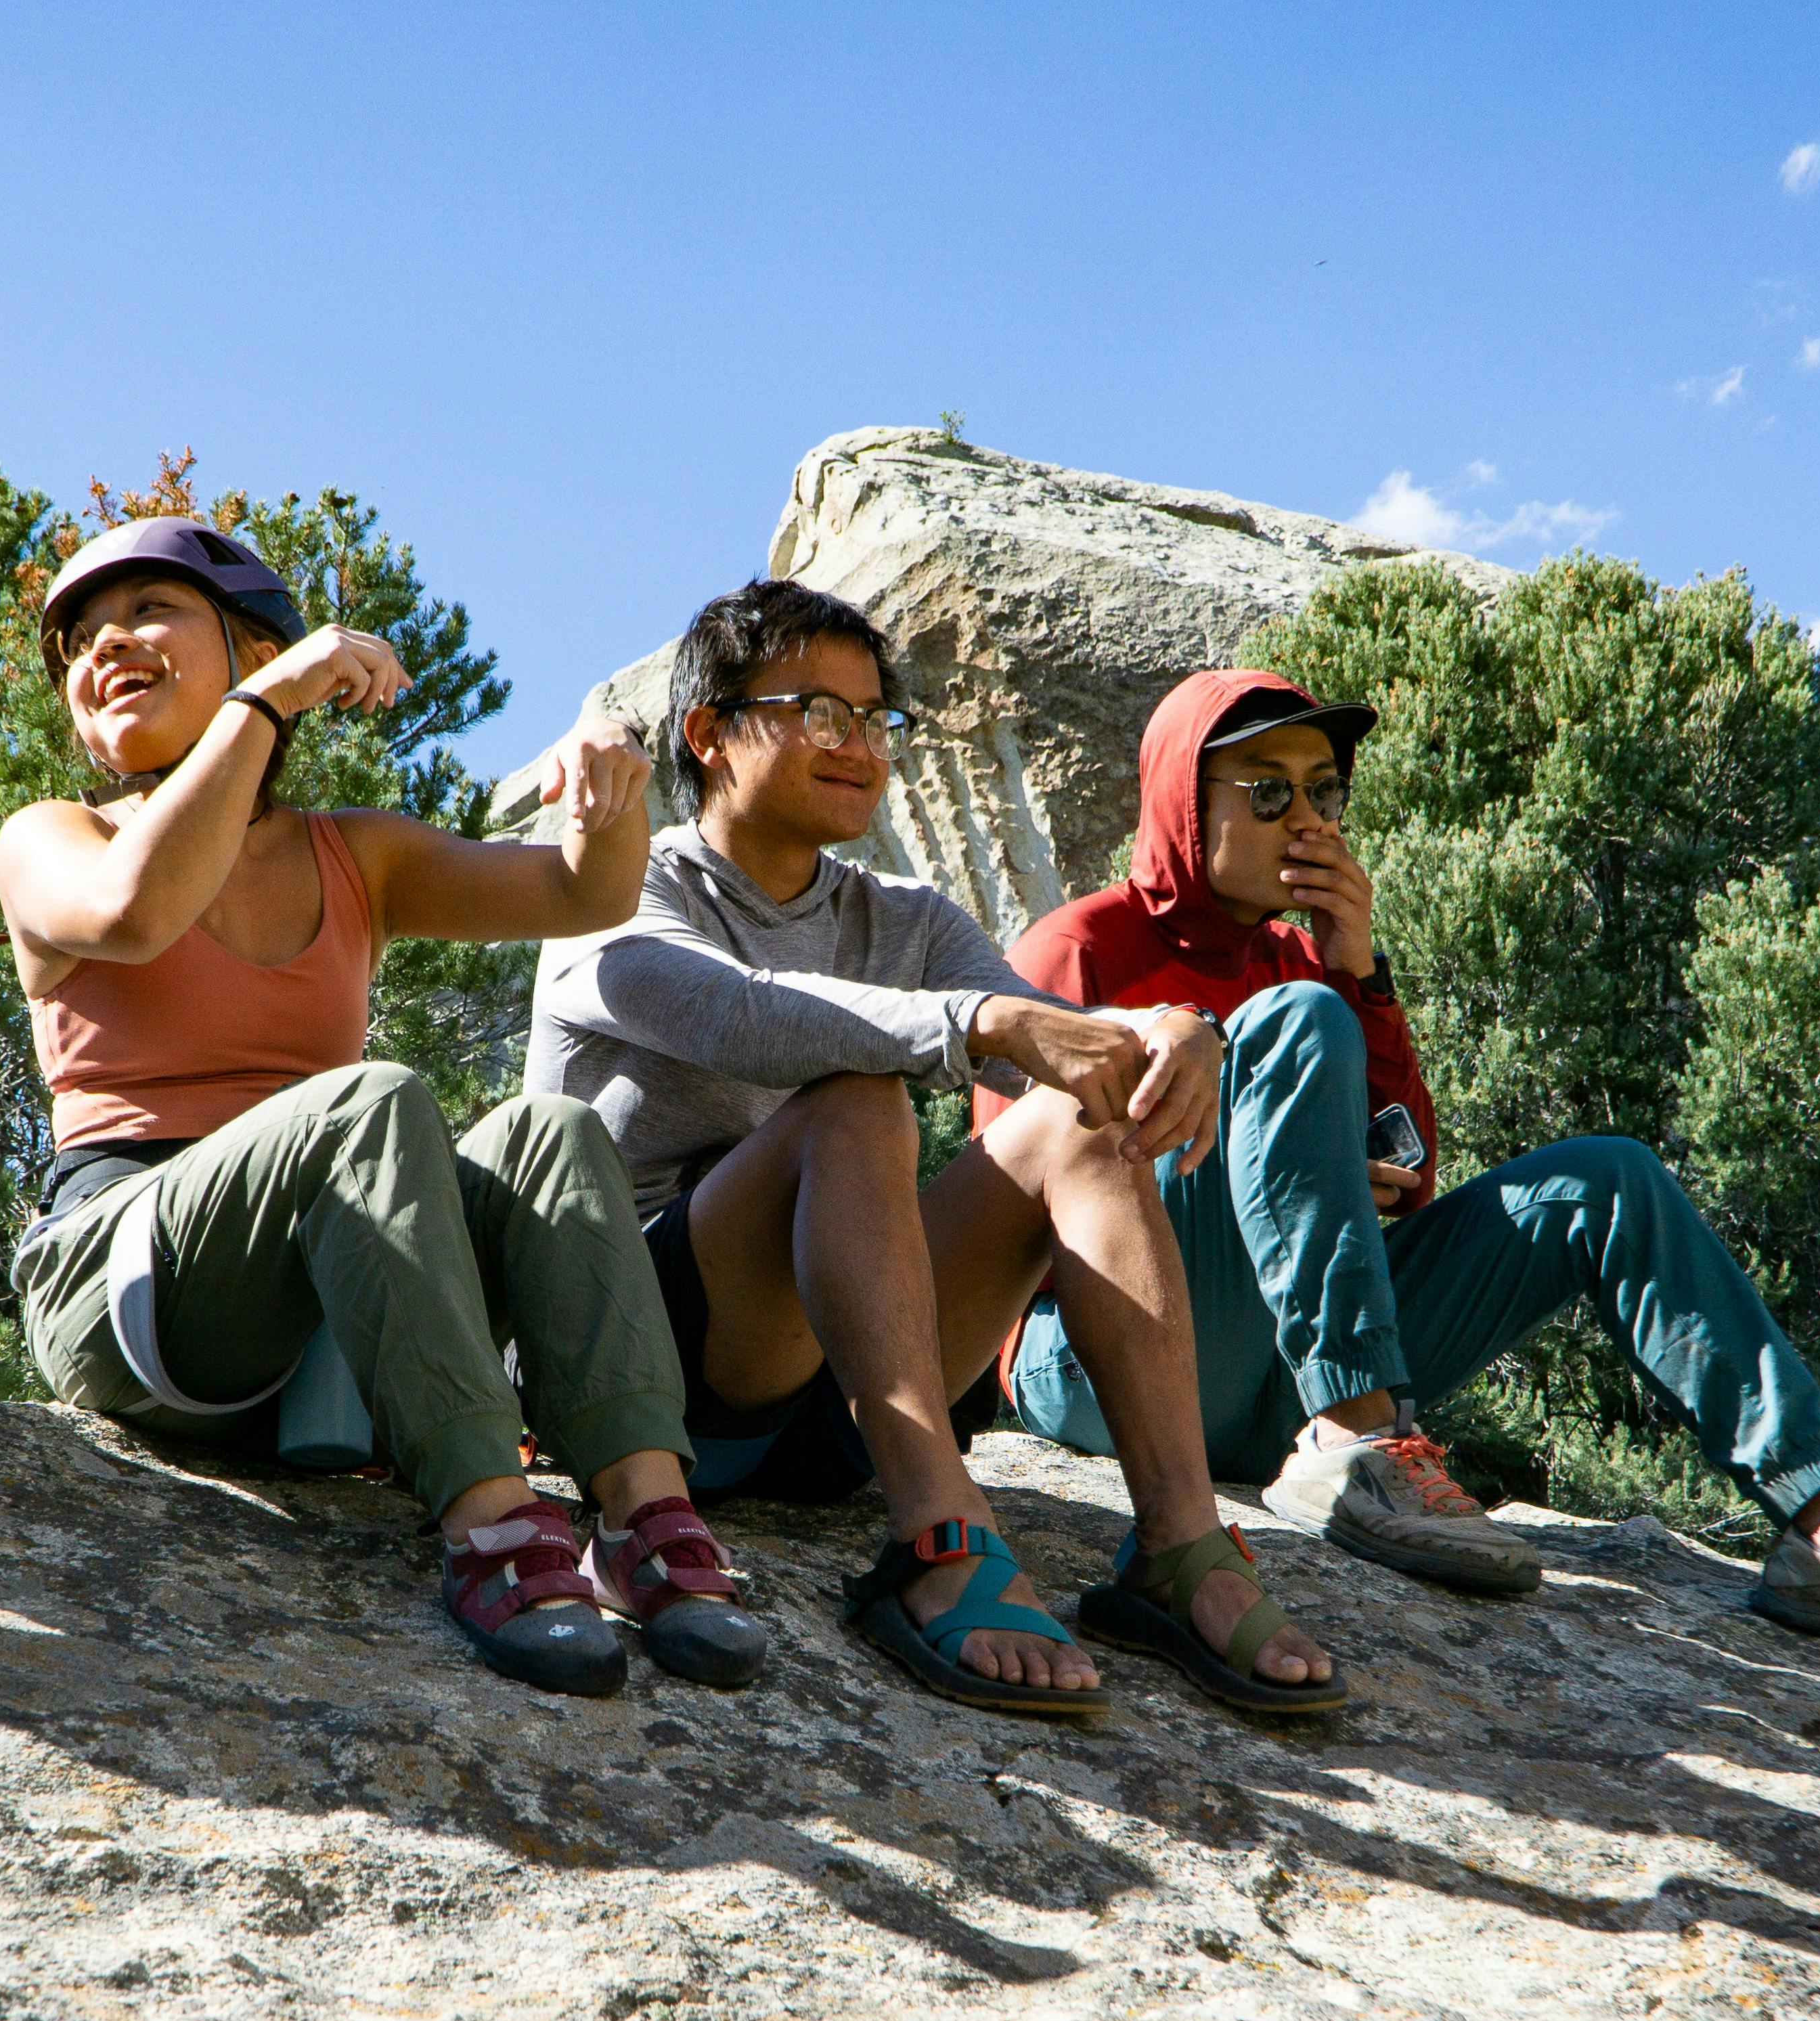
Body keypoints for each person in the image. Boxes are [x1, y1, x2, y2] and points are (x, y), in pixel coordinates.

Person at [994, 667, 1820, 1666]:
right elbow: (1026, 1210)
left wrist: (1359, 975)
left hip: (1283, 1371)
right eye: (1269, 792)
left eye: (1326, 791)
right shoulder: (1076, 948)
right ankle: (1358, 1444)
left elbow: (1410, 1165)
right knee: (1297, 1021)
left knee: (1608, 1175)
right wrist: (1253, 1152)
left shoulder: (1303, 961)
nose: (1309, 820)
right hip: (1108, 1359)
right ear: (1186, 797)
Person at [529, 581, 1337, 1719]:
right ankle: (937, 1537)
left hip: (842, 1391)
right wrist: (971, 1026)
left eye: (877, 720)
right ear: (709, 733)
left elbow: (1044, 1043)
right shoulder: (618, 884)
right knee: (857, 1098)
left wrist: (1173, 1030)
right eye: (820, 712)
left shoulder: (905, 918)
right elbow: (729, 1012)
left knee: (1079, 1122)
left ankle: (1180, 1547)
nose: (860, 746)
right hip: (655, 1379)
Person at [0, 518, 757, 1700]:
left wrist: (606, 784)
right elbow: (133, 915)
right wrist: (272, 703)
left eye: (148, 615)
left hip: (323, 1308)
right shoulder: (54, 837)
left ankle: (644, 1512)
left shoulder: (355, 855)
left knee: (545, 1134)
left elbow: (586, 895)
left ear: (248, 645)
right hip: (132, 1277)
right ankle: (494, 1527)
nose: (106, 648)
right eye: (83, 639)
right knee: (372, 1100)